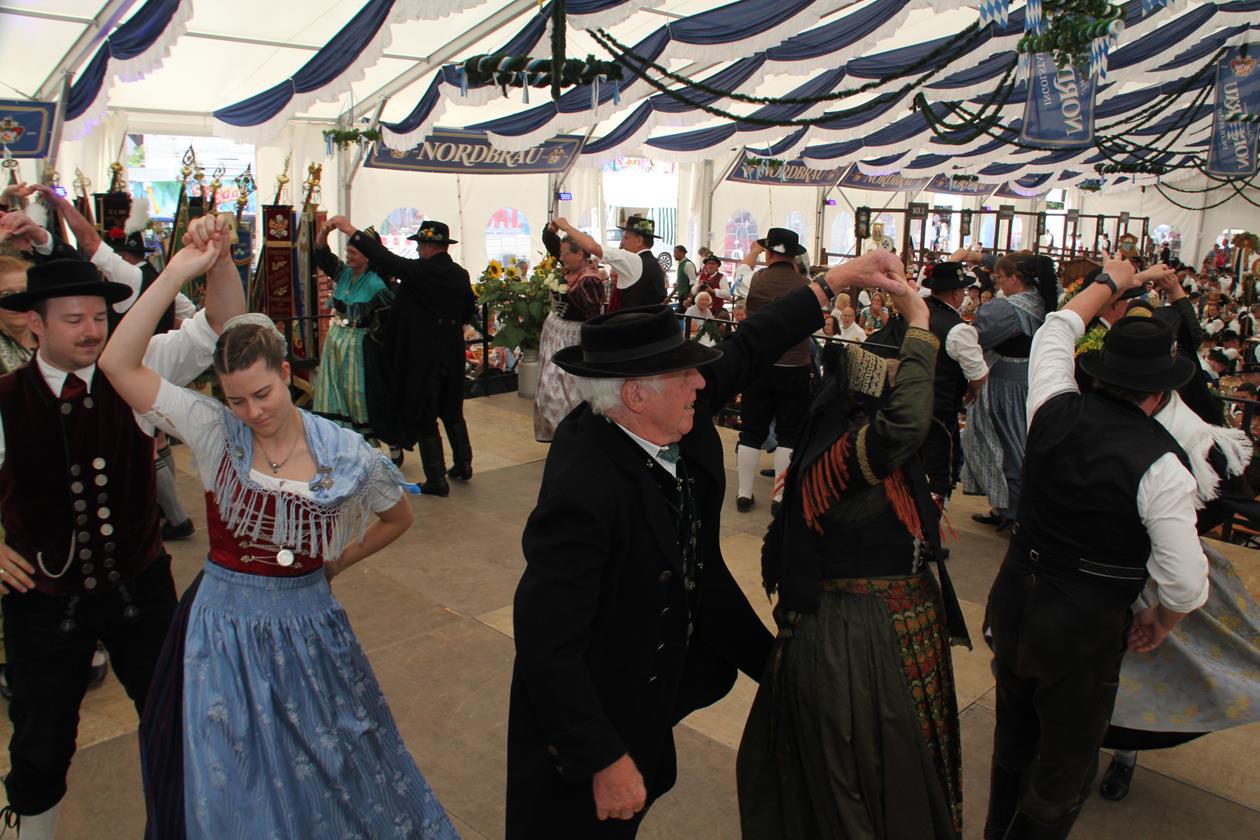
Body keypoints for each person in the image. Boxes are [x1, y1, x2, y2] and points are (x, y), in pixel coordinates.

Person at [507, 248, 908, 839]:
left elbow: (750, 345)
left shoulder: (667, 412)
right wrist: (603, 760)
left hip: (649, 697)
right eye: (685, 373)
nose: (703, 381)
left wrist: (836, 281)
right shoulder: (582, 490)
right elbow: (547, 643)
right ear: (636, 394)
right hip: (587, 735)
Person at [97, 216, 458, 839]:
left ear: (288, 373)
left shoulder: (343, 449)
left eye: (262, 394)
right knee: (235, 783)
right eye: (236, 399)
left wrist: (337, 561)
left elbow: (397, 515)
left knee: (340, 770)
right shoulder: (213, 431)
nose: (252, 412)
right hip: (222, 631)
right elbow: (117, 363)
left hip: (310, 626)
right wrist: (179, 269)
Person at [0, 223, 245, 839]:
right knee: (40, 743)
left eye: (98, 317)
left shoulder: (137, 366)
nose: (91, 331)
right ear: (36, 324)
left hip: (140, 590)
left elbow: (222, 325)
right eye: (73, 320)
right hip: (43, 603)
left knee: (176, 720)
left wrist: (218, 260)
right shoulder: (6, 398)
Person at [738, 263, 970, 840]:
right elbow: (907, 425)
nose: (901, 384)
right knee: (862, 776)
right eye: (892, 381)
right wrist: (920, 328)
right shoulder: (849, 453)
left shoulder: (843, 442)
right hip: (858, 641)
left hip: (879, 631)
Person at [984, 255, 1209, 840]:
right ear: (1160, 393)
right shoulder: (1162, 466)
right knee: (1062, 773)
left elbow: (1057, 328)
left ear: (1101, 370)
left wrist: (1112, 280)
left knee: (1013, 742)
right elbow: (1186, 581)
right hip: (1082, 630)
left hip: (1015, 600)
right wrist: (1162, 620)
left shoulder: (1052, 407)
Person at [326, 216, 476, 496]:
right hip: (452, 350)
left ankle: (436, 479)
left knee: (426, 413)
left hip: (425, 355)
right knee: (452, 410)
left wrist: (351, 231)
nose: (418, 249)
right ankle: (464, 465)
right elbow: (469, 310)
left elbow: (384, 257)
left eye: (421, 244)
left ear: (429, 246)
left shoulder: (420, 272)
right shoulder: (460, 274)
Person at [964, 253, 1057, 530]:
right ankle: (1006, 507)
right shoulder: (1039, 299)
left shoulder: (1008, 309)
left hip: (1006, 386)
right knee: (1017, 443)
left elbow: (976, 336)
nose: (999, 283)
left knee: (1006, 446)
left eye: (1001, 278)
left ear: (1015, 279)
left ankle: (1013, 510)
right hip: (1027, 380)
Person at [734, 230, 814, 514]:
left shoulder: (754, 280)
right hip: (795, 367)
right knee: (788, 433)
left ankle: (744, 494)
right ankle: (779, 497)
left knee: (751, 431)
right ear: (794, 256)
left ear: (769, 254)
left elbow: (739, 275)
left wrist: (753, 251)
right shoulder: (806, 286)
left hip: (760, 366)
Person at [311, 220, 393, 441]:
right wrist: (323, 232)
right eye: (348, 251)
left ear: (368, 256)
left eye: (354, 252)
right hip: (335, 342)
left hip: (357, 348)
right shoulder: (344, 273)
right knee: (332, 389)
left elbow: (389, 322)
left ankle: (364, 440)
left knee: (355, 393)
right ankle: (337, 439)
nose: (349, 255)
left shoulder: (376, 285)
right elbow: (322, 256)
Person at [919, 261, 988, 502]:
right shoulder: (958, 330)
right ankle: (931, 519)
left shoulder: (917, 312)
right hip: (939, 412)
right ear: (957, 294)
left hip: (908, 404)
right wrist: (971, 390)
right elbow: (979, 375)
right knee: (940, 472)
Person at [534, 224, 605, 442]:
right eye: (562, 253)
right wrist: (551, 229)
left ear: (581, 253)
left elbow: (593, 318)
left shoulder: (588, 279)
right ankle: (554, 433)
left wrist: (588, 349)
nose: (562, 257)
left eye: (566, 254)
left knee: (566, 390)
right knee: (549, 388)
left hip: (571, 338)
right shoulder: (569, 268)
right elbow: (551, 243)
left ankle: (568, 435)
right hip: (554, 333)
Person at [556, 216, 665, 313]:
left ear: (639, 241)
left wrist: (566, 227)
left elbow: (593, 247)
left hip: (633, 325)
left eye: (626, 238)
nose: (622, 242)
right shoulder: (653, 263)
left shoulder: (635, 260)